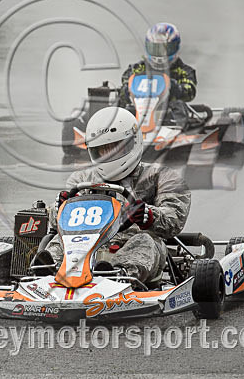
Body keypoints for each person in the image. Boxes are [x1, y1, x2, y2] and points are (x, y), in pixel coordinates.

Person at [39, 106, 191, 286]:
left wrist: (147, 216)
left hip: (133, 244)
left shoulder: (163, 176)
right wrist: (59, 210)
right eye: (103, 149)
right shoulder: (81, 180)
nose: (109, 154)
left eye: (115, 148)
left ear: (133, 142)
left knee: (146, 240)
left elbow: (175, 219)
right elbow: (57, 226)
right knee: (60, 239)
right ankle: (46, 274)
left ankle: (117, 275)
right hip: (86, 247)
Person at [118, 22, 198, 109]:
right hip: (139, 108)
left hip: (169, 113)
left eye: (165, 49)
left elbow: (190, 92)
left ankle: (179, 122)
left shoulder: (184, 71)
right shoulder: (137, 69)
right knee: (120, 104)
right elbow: (124, 85)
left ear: (176, 47)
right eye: (155, 48)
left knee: (179, 106)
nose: (160, 54)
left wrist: (176, 88)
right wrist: (126, 91)